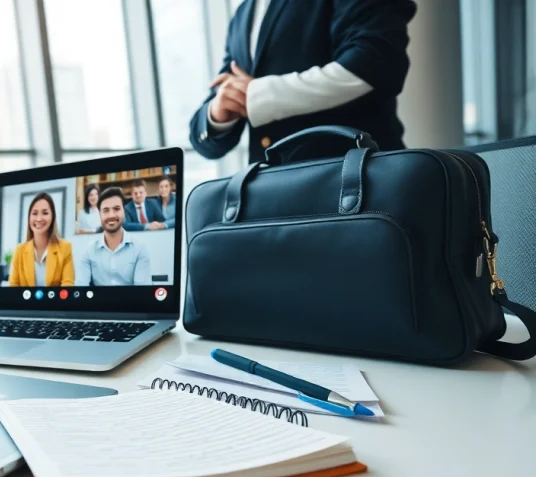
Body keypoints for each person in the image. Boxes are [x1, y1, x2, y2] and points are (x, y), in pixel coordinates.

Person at [189, 0, 417, 163]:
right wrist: (217, 115)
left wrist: (260, 95)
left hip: (359, 193)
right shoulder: (242, 14)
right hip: (275, 207)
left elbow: (376, 62)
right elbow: (206, 138)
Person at [75, 187, 152, 286]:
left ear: (124, 211)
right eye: (106, 210)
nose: (111, 215)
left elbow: (142, 294)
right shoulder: (88, 251)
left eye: (116, 209)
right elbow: (80, 289)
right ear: (100, 214)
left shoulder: (140, 248)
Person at [8, 192, 75, 287]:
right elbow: (13, 288)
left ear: (53, 217)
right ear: (29, 217)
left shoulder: (65, 248)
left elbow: (67, 287)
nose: (39, 219)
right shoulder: (19, 250)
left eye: (45, 213)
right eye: (34, 213)